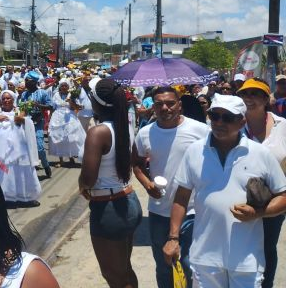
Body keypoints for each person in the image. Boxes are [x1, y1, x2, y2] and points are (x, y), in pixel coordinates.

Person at [163, 94, 286, 287]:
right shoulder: (195, 151)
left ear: (242, 121)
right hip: (205, 258)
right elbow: (181, 197)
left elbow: (283, 195)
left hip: (247, 259)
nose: (219, 122)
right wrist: (173, 237)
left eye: (227, 118)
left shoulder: (260, 153)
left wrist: (259, 213)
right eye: (214, 116)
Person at [132, 86, 210, 288]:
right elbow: (137, 164)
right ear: (153, 108)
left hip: (194, 210)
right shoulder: (145, 133)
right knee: (164, 265)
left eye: (170, 103)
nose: (165, 108)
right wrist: (147, 183)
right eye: (159, 104)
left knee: (189, 264)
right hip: (159, 210)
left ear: (180, 105)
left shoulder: (201, 131)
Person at [79, 78, 142, 288]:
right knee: (124, 269)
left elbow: (89, 177)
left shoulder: (98, 132)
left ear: (97, 104)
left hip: (109, 208)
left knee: (113, 275)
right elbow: (133, 159)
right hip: (128, 199)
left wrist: (82, 186)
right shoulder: (124, 126)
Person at [237, 78, 286, 287]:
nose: (249, 98)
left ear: (266, 99)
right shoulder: (232, 123)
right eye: (245, 94)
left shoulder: (282, 126)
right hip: (237, 197)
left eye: (256, 94)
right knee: (239, 247)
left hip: (273, 199)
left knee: (267, 247)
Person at [0, 89, 41, 206]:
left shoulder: (19, 111)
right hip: (0, 151)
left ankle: (25, 198)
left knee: (21, 172)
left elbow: (29, 124)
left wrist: (22, 120)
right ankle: (5, 198)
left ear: (13, 99)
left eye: (8, 98)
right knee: (3, 173)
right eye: (4, 98)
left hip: (19, 150)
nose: (6, 100)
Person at [19, 71, 54, 178]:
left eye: (27, 81)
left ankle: (46, 165)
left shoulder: (42, 93)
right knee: (26, 147)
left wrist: (38, 105)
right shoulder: (24, 94)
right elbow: (21, 108)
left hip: (38, 122)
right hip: (26, 123)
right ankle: (30, 169)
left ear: (34, 82)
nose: (26, 83)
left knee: (39, 147)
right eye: (25, 81)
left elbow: (51, 106)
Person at [49, 80, 85, 167]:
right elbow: (52, 107)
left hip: (69, 117)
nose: (64, 87)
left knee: (71, 138)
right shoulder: (56, 95)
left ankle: (71, 157)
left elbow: (76, 107)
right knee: (58, 138)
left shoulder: (72, 95)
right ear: (60, 87)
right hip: (57, 118)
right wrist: (50, 118)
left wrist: (70, 101)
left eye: (66, 86)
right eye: (62, 86)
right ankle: (61, 160)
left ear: (68, 87)